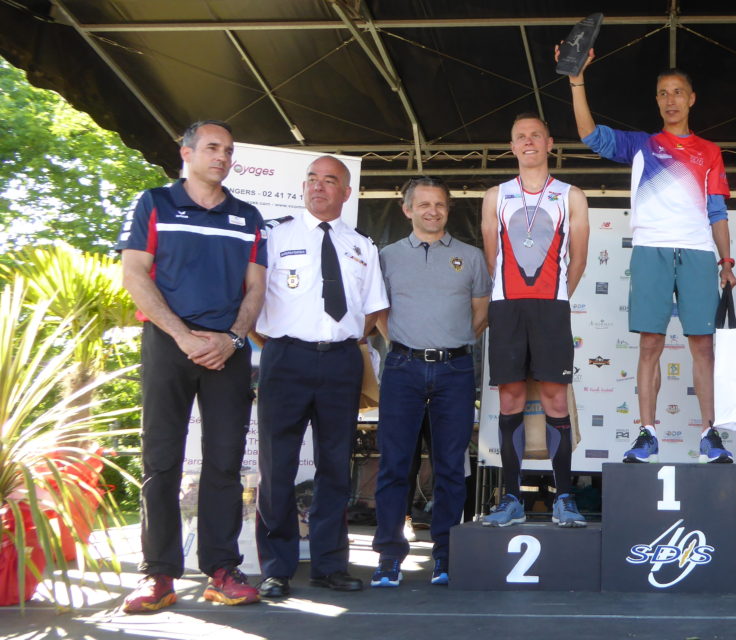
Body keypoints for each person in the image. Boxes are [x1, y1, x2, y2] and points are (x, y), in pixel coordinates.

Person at [559, 46, 736, 463]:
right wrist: (576, 80)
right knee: (650, 344)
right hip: (650, 249)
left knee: (703, 345)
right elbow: (589, 134)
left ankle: (711, 434)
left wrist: (727, 261)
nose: (670, 100)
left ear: (691, 99)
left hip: (696, 250)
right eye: (663, 93)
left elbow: (717, 210)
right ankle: (646, 433)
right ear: (656, 100)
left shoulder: (709, 151)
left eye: (678, 92)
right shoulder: (641, 145)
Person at [117, 120, 266, 613]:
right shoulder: (152, 203)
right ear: (186, 152)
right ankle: (157, 575)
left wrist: (232, 338)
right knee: (162, 461)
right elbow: (134, 273)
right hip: (168, 346)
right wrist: (182, 336)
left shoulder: (248, 215)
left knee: (225, 464)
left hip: (228, 351)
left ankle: (221, 569)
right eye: (211, 147)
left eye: (228, 150)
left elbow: (256, 288)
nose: (221, 157)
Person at [253, 155, 388, 597]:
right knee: (277, 467)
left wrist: (342, 338)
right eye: (312, 179)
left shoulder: (361, 244)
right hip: (285, 358)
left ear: (346, 193)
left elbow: (374, 309)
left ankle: (329, 564)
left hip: (340, 363)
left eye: (330, 181)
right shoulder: (274, 235)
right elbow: (251, 297)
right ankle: (276, 567)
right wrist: (272, 343)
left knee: (335, 467)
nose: (318, 187)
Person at [370, 177, 491, 588]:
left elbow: (480, 312)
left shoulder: (471, 257)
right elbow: (379, 312)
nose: (432, 211)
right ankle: (389, 556)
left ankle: (445, 553)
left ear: (448, 209)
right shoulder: (385, 256)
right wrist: (408, 344)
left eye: (439, 204)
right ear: (407, 210)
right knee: (394, 465)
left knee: (450, 467)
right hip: (402, 368)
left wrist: (446, 344)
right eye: (423, 204)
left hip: (455, 371)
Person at [479, 113, 590, 527]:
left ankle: (565, 497)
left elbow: (578, 258)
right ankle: (511, 498)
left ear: (549, 143)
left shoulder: (570, 195)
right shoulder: (496, 195)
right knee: (509, 398)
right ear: (512, 146)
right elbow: (494, 257)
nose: (528, 142)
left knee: (555, 400)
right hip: (507, 306)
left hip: (551, 306)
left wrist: (557, 295)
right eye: (520, 136)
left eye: (535, 136)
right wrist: (510, 294)